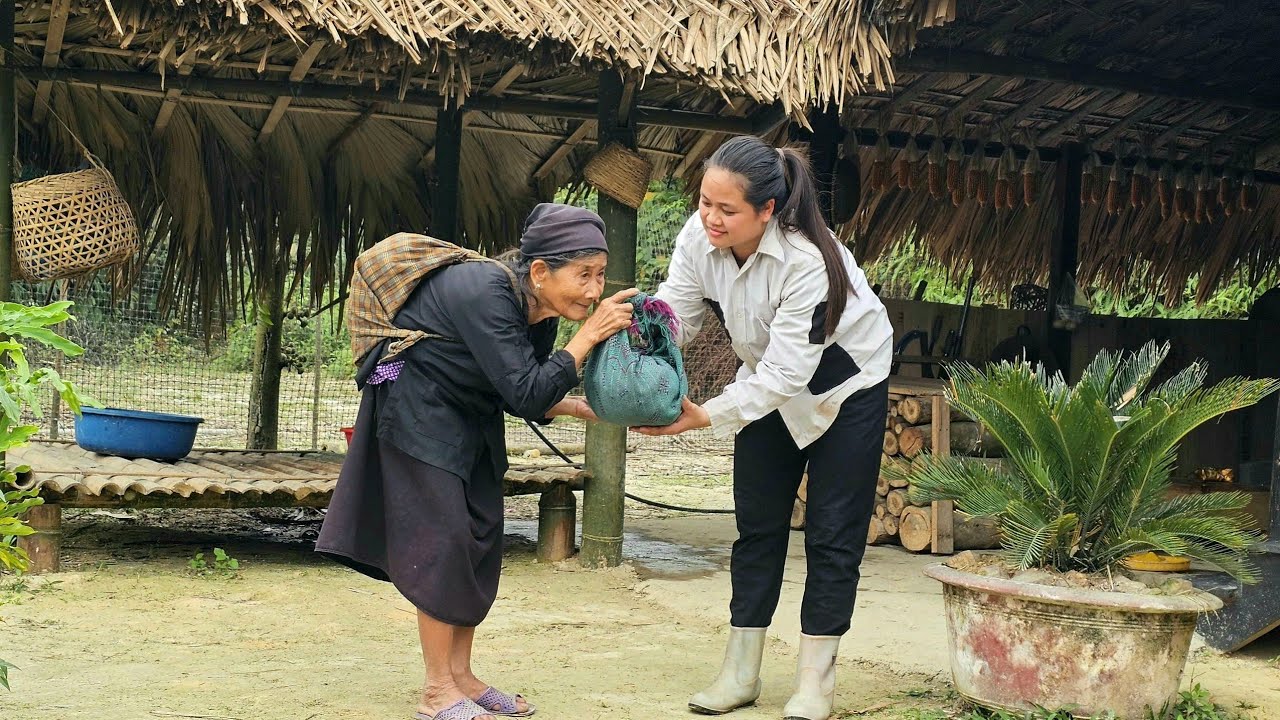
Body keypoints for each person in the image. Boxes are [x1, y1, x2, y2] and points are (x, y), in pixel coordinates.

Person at [316, 204, 636, 720]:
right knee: (442, 541)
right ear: (539, 272)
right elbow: (527, 390)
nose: (594, 291)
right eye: (584, 275)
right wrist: (588, 337)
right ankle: (437, 691)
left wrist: (577, 405)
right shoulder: (484, 289)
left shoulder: (539, 312)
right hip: (413, 406)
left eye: (599, 276)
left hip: (468, 413)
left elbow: (519, 389)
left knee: (477, 536)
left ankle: (461, 676)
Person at [639, 136, 894, 720]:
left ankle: (815, 683)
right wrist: (638, 343)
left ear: (767, 211)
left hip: (842, 386)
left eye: (727, 210)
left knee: (832, 534)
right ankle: (740, 672)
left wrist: (704, 415)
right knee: (756, 525)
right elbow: (678, 317)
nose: (710, 217)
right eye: (705, 202)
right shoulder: (698, 237)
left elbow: (788, 374)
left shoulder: (807, 262)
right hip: (765, 382)